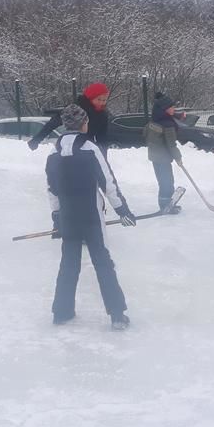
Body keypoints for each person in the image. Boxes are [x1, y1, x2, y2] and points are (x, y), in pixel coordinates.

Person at [47, 104, 137, 329]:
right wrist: (122, 210)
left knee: (68, 263)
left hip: (67, 215)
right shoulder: (90, 147)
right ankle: (117, 314)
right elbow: (108, 183)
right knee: (103, 261)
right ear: (83, 123)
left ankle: (62, 311)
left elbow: (51, 188)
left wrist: (57, 216)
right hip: (91, 215)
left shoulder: (53, 150)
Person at [28, 82, 112, 153]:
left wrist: (103, 158)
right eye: (99, 99)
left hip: (87, 147)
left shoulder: (102, 115)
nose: (101, 103)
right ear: (90, 98)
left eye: (104, 100)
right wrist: (36, 140)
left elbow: (102, 138)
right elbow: (53, 123)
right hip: (68, 144)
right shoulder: (76, 109)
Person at [143, 92, 184, 214]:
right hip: (163, 158)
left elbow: (145, 135)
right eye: (171, 107)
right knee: (167, 181)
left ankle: (165, 204)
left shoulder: (154, 121)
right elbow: (172, 145)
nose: (174, 109)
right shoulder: (168, 124)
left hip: (155, 157)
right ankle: (166, 206)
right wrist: (178, 158)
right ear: (165, 109)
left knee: (164, 181)